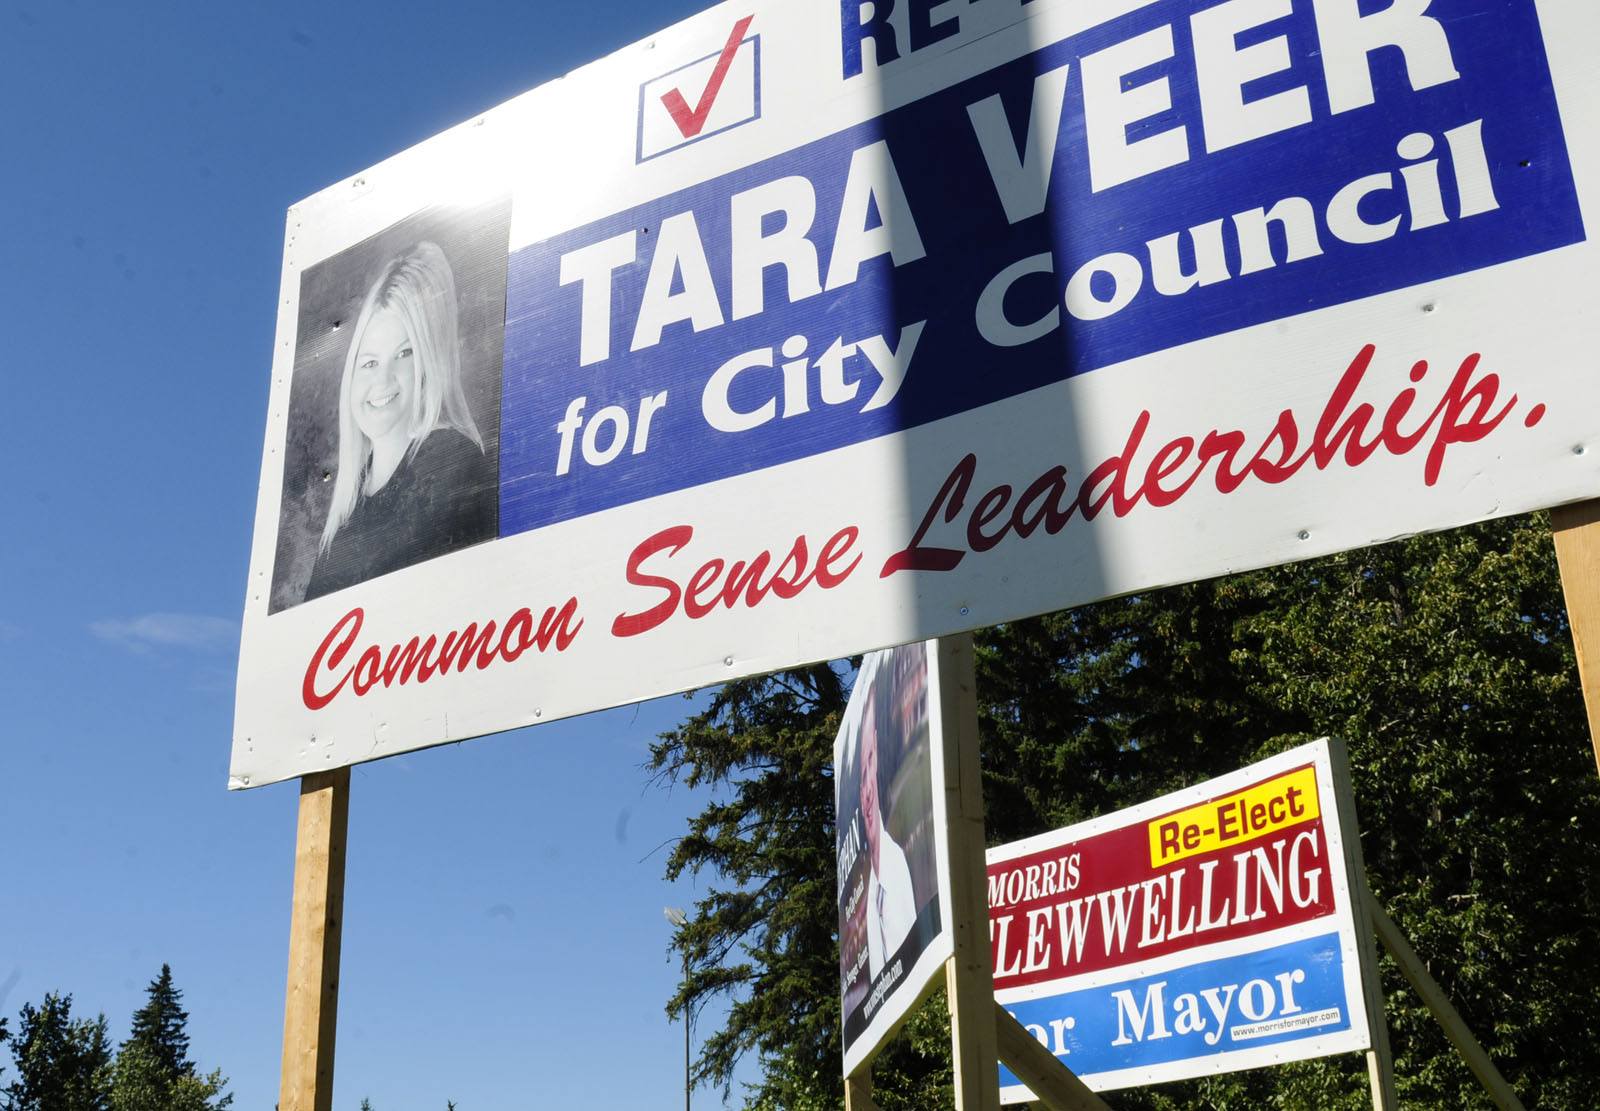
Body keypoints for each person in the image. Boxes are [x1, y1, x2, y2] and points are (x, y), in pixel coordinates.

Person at [306, 241, 496, 601]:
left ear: (429, 362)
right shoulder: (347, 509)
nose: (383, 381)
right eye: (370, 362)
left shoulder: (449, 465)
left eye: (404, 354)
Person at [860, 681, 918, 982]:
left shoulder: (897, 869)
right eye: (862, 771)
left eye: (872, 763)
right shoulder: (873, 886)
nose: (867, 787)